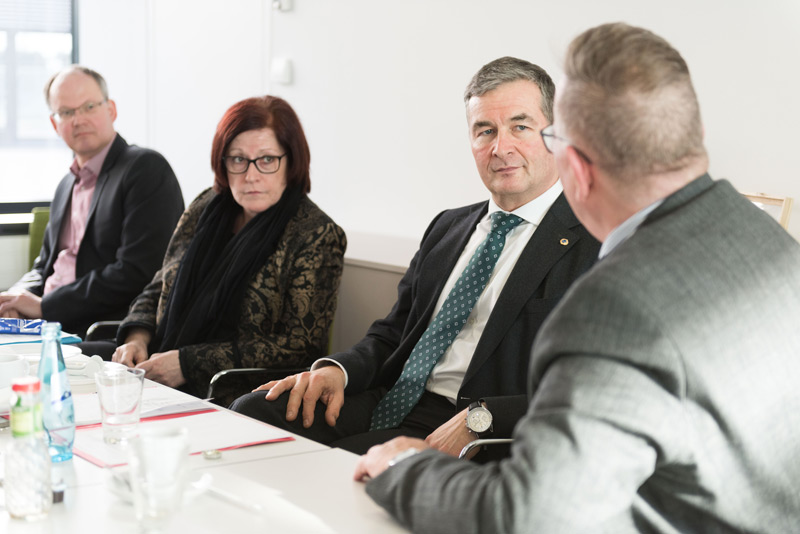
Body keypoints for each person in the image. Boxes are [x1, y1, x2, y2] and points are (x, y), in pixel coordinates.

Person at [354, 22, 800, 534]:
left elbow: (529, 515)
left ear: (578, 171)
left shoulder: (612, 308)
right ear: (692, 135)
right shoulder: (775, 245)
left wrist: (405, 468)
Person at [231, 57, 600, 458]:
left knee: (345, 463)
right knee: (250, 415)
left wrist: (483, 417)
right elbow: (392, 333)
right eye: (485, 130)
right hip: (393, 398)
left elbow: (588, 386)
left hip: (474, 426)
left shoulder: (592, 241)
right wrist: (336, 372)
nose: (500, 147)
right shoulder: (449, 227)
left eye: (520, 127)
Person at [112, 95, 346, 407]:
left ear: (291, 162)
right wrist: (136, 336)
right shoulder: (205, 206)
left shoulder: (316, 234)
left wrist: (188, 362)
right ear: (222, 162)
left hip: (236, 388)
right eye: (238, 159)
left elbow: (301, 346)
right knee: (88, 360)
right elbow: (162, 281)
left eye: (266, 160)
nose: (251, 175)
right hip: (160, 361)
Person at [0, 66, 184, 338]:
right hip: (47, 323)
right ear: (55, 124)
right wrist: (14, 298)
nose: (79, 120)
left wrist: (46, 307)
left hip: (99, 328)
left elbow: (138, 272)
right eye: (67, 112)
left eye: (88, 106)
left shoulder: (145, 169)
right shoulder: (66, 184)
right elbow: (45, 266)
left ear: (111, 110)